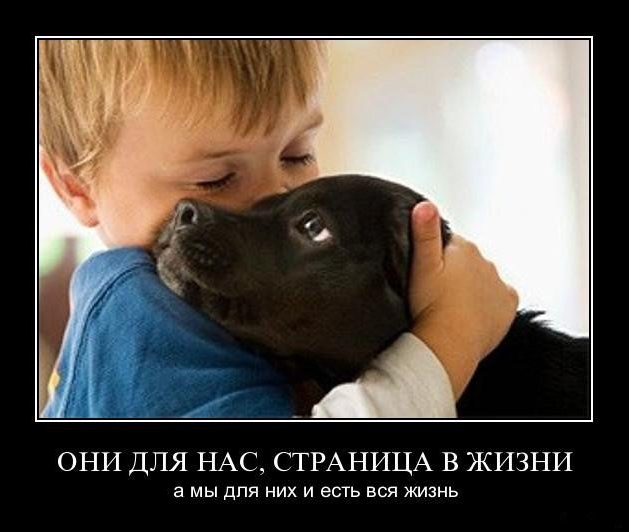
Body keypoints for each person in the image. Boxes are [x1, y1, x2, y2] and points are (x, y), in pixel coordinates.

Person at [39, 40, 518, 418]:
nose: (273, 201)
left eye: (296, 155)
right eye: (214, 180)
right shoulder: (139, 315)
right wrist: (450, 335)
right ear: (76, 187)